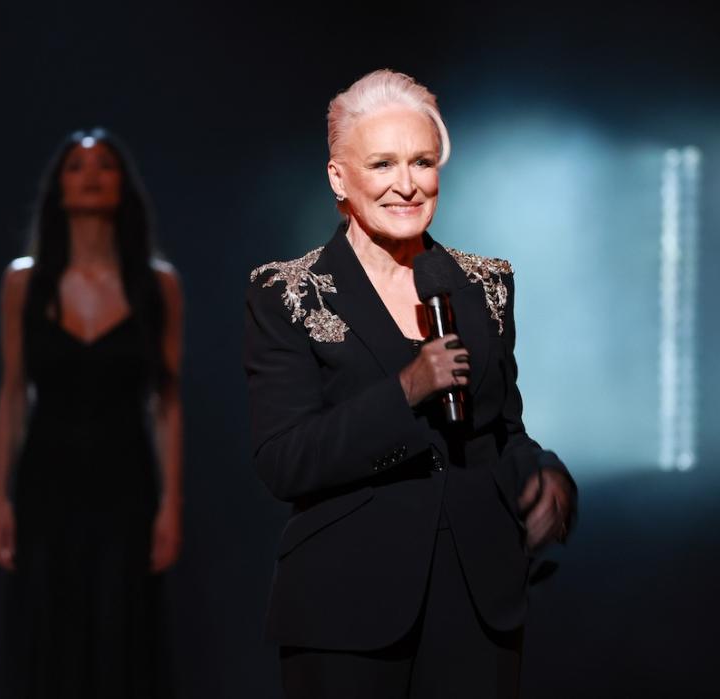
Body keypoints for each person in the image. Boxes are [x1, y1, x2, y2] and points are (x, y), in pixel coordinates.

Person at [244, 70, 576, 697]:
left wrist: (546, 475)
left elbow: (504, 430)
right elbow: (284, 460)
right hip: (346, 604)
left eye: (422, 162)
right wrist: (406, 389)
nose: (407, 184)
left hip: (478, 597)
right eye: (383, 163)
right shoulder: (286, 291)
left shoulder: (485, 284)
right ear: (339, 178)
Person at [0, 128, 183, 697]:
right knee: (50, 624)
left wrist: (171, 503)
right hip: (47, 477)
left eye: (104, 165)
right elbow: (12, 391)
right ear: (59, 188)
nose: (91, 175)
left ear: (123, 185)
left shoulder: (157, 286)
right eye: (76, 166)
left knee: (124, 627)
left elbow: (167, 401)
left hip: (126, 477)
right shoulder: (23, 282)